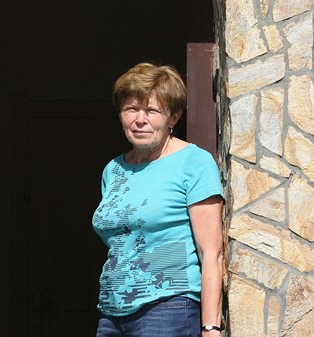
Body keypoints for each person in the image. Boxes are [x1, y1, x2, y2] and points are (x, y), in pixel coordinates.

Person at [92, 62, 224, 337]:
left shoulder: (193, 162)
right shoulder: (113, 170)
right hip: (112, 314)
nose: (140, 120)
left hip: (168, 310)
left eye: (152, 111)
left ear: (173, 118)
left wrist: (210, 327)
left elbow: (211, 252)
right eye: (131, 110)